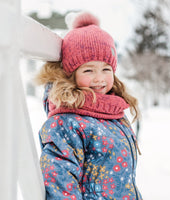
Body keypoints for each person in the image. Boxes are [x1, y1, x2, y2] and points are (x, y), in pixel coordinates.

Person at [35, 12, 142, 200]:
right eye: (88, 70)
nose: (99, 78)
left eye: (106, 69)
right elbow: (60, 182)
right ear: (71, 73)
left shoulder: (113, 111)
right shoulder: (66, 123)